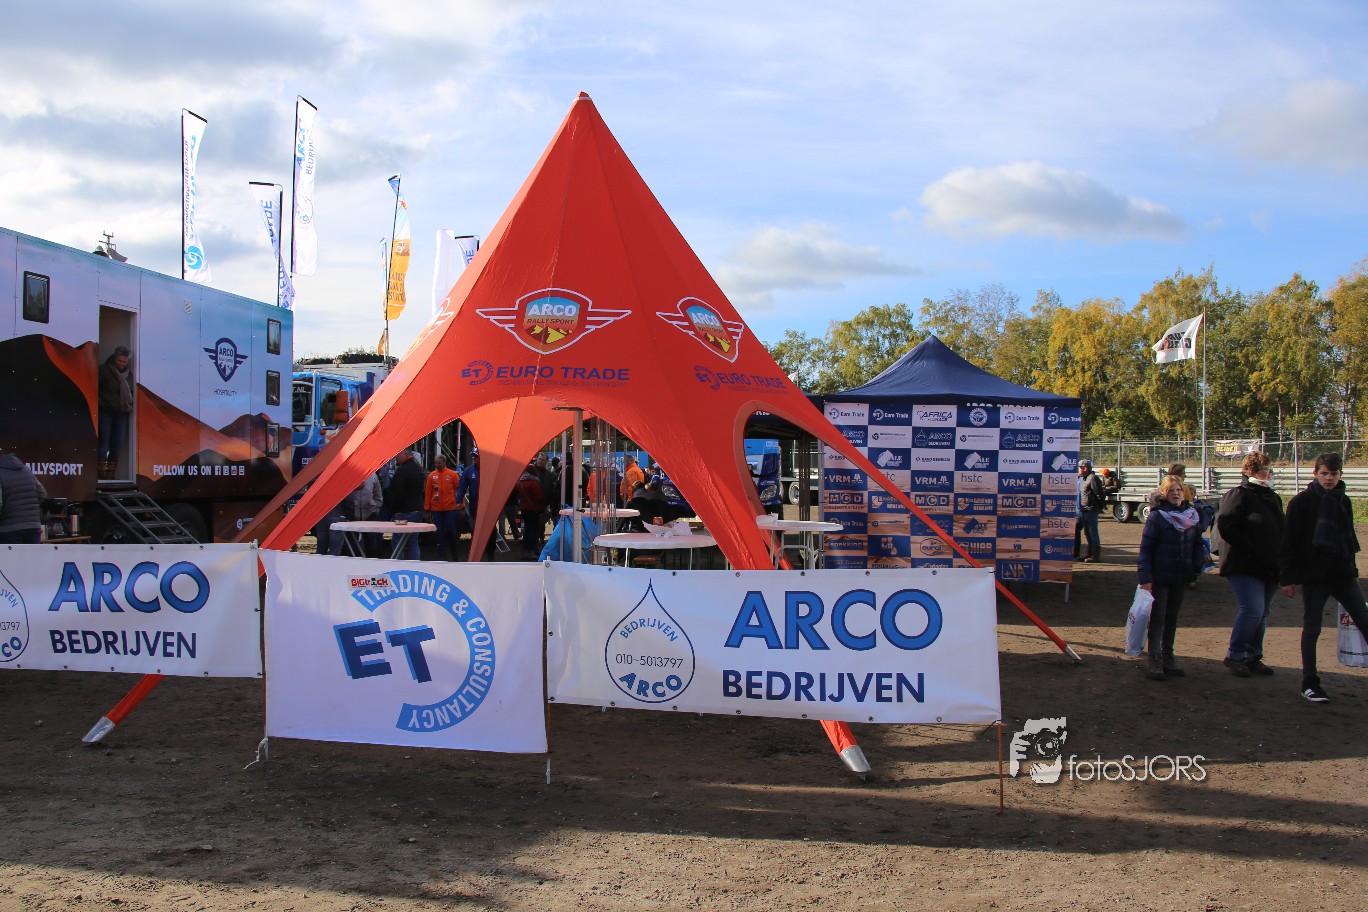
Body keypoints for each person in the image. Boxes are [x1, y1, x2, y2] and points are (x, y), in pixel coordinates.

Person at [1278, 452, 1368, 703]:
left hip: (1343, 575)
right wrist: (1287, 578)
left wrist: (1352, 569)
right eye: (1324, 473)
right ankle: (1309, 683)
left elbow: (1348, 538)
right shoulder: (1301, 502)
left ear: (1340, 475)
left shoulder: (1344, 500)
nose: (1329, 478)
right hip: (1314, 577)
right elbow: (1289, 542)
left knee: (1364, 620)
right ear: (1315, 473)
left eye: (1333, 474)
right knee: (1312, 628)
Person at [1217, 452, 1284, 677]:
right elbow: (1226, 524)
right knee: (1253, 610)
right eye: (1265, 470)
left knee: (1262, 613)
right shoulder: (1239, 494)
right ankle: (1235, 655)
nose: (1270, 474)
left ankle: (1253, 656)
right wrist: (1249, 546)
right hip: (1245, 564)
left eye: (1270, 470)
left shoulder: (1272, 497)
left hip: (1269, 564)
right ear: (1251, 472)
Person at [1137, 475, 1206, 680]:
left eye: (1178, 490)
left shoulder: (1191, 515)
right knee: (1158, 618)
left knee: (1172, 618)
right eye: (1171, 491)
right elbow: (1146, 549)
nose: (1176, 494)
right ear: (1164, 494)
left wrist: (1196, 566)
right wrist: (1145, 577)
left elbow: (1197, 544)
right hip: (1160, 576)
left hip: (1181, 575)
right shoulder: (1157, 517)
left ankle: (1169, 657)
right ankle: (1155, 660)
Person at [97, 345, 133, 480]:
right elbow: (94, 387)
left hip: (121, 413)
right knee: (103, 442)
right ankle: (101, 474)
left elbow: (131, 392)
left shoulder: (128, 375)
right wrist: (101, 404)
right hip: (105, 411)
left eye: (124, 362)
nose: (122, 364)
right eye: (120, 361)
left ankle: (110, 475)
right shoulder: (103, 370)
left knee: (116, 444)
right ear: (114, 358)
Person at [0, 449, 47, 544]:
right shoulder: (26, 470)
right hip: (33, 527)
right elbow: (42, 495)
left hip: (9, 529)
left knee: (11, 555)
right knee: (32, 554)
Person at [388, 449, 426, 560]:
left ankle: (399, 566)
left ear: (405, 454)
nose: (395, 457)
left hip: (404, 511)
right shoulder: (418, 469)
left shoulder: (402, 471)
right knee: (413, 542)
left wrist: (394, 510)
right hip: (417, 509)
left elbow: (398, 493)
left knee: (398, 542)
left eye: (397, 455)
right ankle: (414, 565)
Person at [424, 455, 462, 560]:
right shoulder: (431, 476)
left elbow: (459, 489)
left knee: (450, 529)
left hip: (450, 508)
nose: (437, 465)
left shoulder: (452, 474)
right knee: (439, 531)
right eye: (435, 463)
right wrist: (427, 509)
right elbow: (428, 493)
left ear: (444, 463)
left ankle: (454, 551)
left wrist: (461, 504)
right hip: (436, 509)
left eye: (439, 463)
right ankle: (442, 554)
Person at [1074, 459, 1106, 562]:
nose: (1078, 469)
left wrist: (1099, 507)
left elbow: (1100, 494)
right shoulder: (1083, 479)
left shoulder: (1093, 478)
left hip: (1091, 509)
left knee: (1092, 532)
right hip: (1084, 509)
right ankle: (1089, 553)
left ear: (1085, 468)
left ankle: (1095, 556)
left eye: (1079, 467)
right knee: (1087, 532)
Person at [515, 462, 548, 558]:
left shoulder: (520, 482)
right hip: (534, 509)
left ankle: (525, 550)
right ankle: (531, 551)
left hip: (524, 509)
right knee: (534, 531)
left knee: (527, 530)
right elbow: (539, 497)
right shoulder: (533, 483)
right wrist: (545, 501)